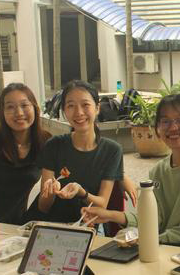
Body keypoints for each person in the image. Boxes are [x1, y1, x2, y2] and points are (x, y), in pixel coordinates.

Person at [83, 94, 180, 250]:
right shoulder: (158, 171)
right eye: (165, 121)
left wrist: (152, 239)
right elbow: (152, 218)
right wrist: (109, 215)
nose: (173, 127)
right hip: (164, 246)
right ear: (158, 128)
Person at [34, 80, 124, 223]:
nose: (79, 112)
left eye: (85, 105)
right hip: (52, 225)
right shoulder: (54, 145)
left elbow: (101, 205)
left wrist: (81, 192)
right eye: (71, 106)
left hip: (87, 226)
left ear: (97, 108)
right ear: (64, 111)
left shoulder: (112, 150)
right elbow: (43, 207)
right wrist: (50, 193)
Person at [0, 83, 50, 224]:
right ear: (2, 113)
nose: (19, 113)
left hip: (20, 225)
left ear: (34, 108)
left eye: (24, 105)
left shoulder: (45, 142)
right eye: (10, 107)